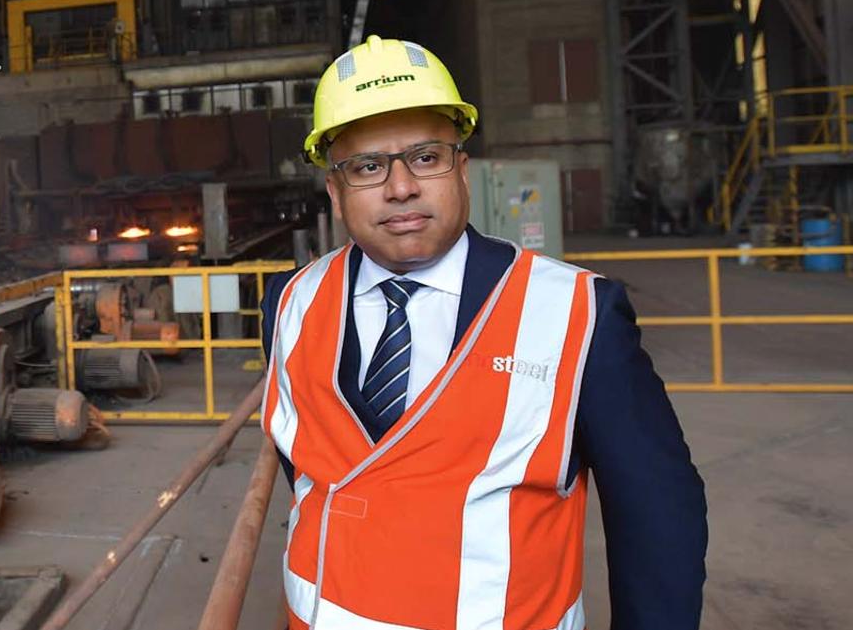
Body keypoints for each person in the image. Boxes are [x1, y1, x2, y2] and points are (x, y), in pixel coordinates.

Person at [260, 36, 707, 630]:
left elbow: (657, 517)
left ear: (461, 169)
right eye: (368, 167)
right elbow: (314, 466)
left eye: (424, 157)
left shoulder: (577, 315)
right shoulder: (289, 304)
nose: (400, 187)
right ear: (336, 192)